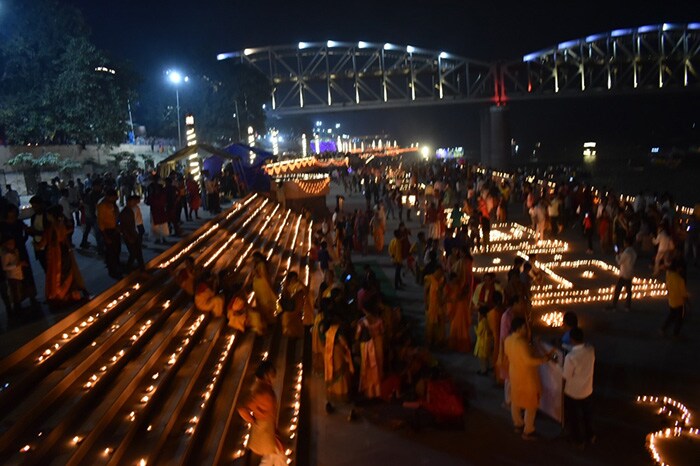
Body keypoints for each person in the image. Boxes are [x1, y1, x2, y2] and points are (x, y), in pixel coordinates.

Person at [504, 317, 554, 440]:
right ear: (520, 328)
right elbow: (529, 361)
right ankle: (528, 430)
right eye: (525, 327)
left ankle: (518, 424)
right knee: (531, 404)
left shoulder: (508, 339)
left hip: (515, 373)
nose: (527, 329)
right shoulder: (521, 342)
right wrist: (544, 359)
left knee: (516, 400)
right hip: (526, 376)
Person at [41, 205, 87, 306]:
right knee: (67, 273)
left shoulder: (52, 228)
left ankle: (60, 295)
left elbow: (44, 243)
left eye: (48, 215)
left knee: (58, 274)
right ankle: (70, 294)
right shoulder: (61, 224)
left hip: (56, 254)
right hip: (64, 250)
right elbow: (67, 233)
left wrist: (37, 244)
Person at [237, 360, 281, 464]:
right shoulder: (260, 391)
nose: (273, 377)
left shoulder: (264, 388)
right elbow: (242, 408)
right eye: (272, 374)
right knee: (272, 458)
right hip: (263, 432)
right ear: (266, 375)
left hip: (267, 429)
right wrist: (253, 421)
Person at [562, 328, 596, 448]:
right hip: (587, 389)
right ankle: (590, 435)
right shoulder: (591, 350)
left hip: (573, 392)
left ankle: (577, 440)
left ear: (571, 339)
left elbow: (566, 375)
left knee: (573, 417)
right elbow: (580, 349)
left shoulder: (570, 358)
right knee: (587, 414)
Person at [355, 304, 384, 399]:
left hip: (366, 346)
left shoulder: (361, 322)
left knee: (367, 366)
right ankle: (378, 390)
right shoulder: (379, 320)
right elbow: (383, 331)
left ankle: (368, 390)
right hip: (378, 343)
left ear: (364, 309)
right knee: (378, 366)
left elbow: (357, 336)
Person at [660, 259, 689, 338]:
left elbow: (667, 287)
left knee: (672, 315)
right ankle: (676, 333)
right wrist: (687, 302)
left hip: (671, 300)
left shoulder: (669, 276)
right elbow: (683, 293)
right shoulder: (680, 279)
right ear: (678, 268)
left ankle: (663, 328)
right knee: (679, 318)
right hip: (679, 302)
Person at [97, 189, 122, 279]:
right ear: (108, 196)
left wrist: (118, 225)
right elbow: (100, 223)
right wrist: (105, 236)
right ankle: (113, 271)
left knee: (117, 249)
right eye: (114, 198)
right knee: (111, 252)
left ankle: (117, 266)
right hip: (108, 231)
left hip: (115, 229)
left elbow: (116, 215)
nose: (115, 199)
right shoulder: (102, 205)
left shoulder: (112, 203)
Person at [608, 237, 636, 311]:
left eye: (624, 242)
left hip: (624, 274)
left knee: (618, 289)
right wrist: (621, 253)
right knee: (628, 290)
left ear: (626, 243)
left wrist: (617, 255)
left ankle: (614, 305)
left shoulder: (626, 252)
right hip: (630, 273)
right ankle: (628, 306)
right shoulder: (633, 251)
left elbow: (619, 262)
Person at [251, 251, 278, 323]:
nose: (253, 259)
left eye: (254, 258)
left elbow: (263, 275)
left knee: (264, 303)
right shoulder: (259, 264)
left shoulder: (262, 264)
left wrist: (255, 271)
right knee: (261, 302)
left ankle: (268, 320)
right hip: (259, 286)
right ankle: (266, 319)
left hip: (262, 285)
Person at [118, 195, 144, 269]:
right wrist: (128, 237)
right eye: (133, 202)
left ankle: (141, 267)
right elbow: (123, 227)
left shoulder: (131, 210)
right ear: (128, 202)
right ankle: (129, 268)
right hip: (129, 235)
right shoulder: (124, 213)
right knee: (133, 253)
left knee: (138, 252)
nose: (134, 203)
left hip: (134, 234)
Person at [424, 266, 445, 348]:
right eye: (438, 272)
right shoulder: (429, 279)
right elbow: (425, 292)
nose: (439, 274)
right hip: (431, 305)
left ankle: (438, 341)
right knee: (431, 323)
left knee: (439, 323)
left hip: (439, 305)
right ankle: (429, 341)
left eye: (441, 272)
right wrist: (426, 303)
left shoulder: (442, 280)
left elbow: (442, 292)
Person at [280, 271, 305, 338]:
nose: (293, 280)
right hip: (290, 306)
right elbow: (284, 296)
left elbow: (304, 292)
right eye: (292, 278)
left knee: (288, 317)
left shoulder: (299, 285)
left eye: (295, 278)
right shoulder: (287, 286)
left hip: (297, 305)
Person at [474, 306, 493, 375]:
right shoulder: (488, 320)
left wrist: (475, 328)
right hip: (488, 341)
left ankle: (483, 371)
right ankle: (489, 367)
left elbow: (479, 333)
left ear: (481, 314)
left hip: (482, 343)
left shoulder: (482, 322)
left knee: (482, 358)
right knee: (487, 356)